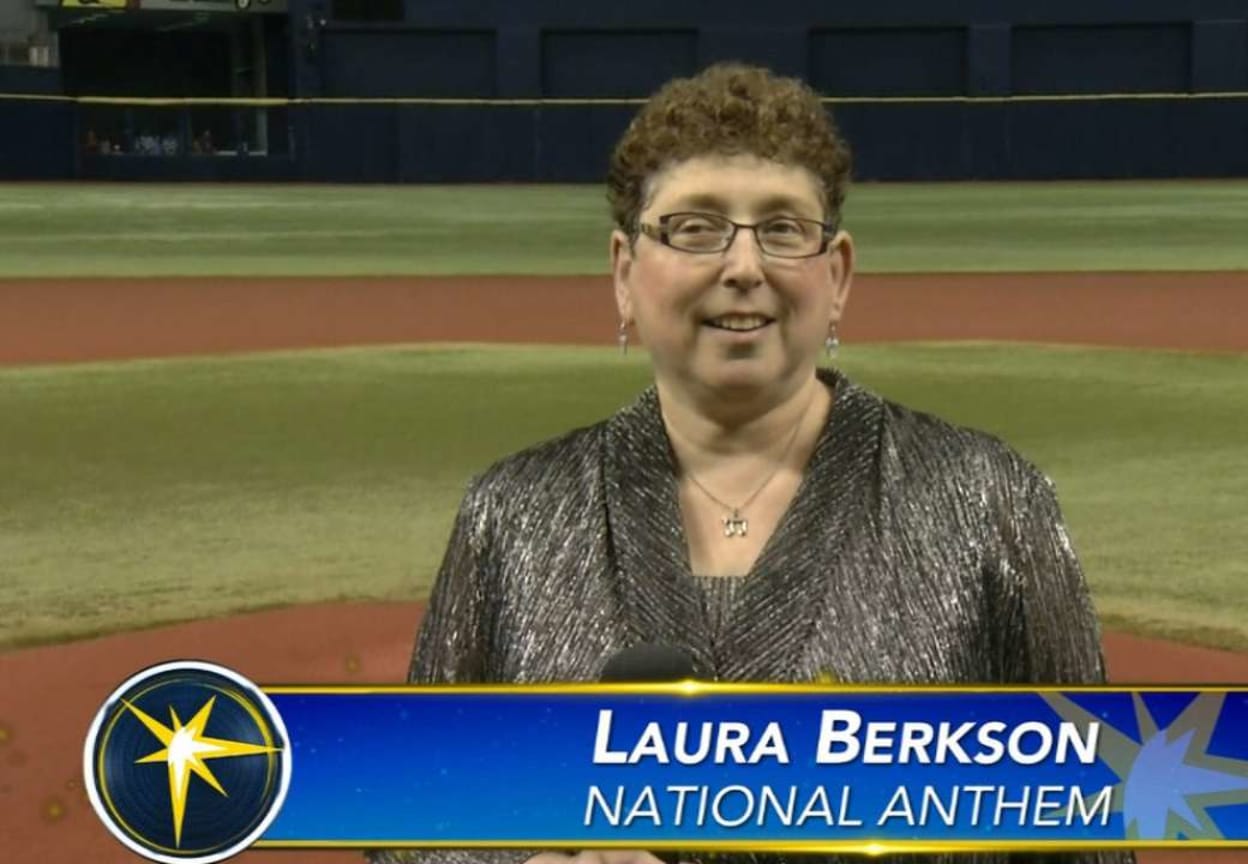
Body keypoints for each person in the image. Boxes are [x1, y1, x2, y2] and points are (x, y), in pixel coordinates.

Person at [369, 63, 1132, 864]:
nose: (742, 266)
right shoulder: (514, 515)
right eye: (695, 228)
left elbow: (1090, 836)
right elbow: (407, 833)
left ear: (836, 275)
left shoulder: (986, 502)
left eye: (782, 229)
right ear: (625, 274)